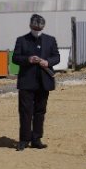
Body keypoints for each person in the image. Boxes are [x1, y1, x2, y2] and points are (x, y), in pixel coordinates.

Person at [13, 14, 60, 151]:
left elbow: (56, 56)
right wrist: (28, 59)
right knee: (25, 112)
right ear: (30, 26)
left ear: (43, 27)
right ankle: (24, 139)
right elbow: (15, 58)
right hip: (26, 82)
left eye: (39, 28)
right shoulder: (21, 40)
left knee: (40, 111)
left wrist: (48, 62)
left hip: (44, 81)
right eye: (34, 27)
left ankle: (36, 138)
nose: (37, 30)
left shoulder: (50, 40)